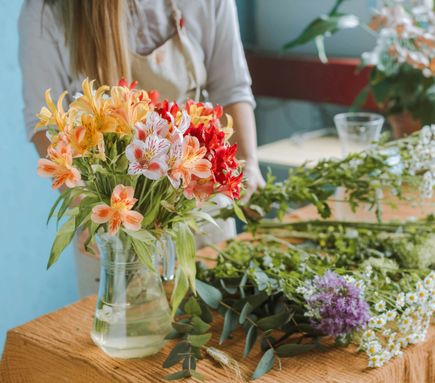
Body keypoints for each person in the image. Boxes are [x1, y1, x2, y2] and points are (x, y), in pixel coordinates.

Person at [19, 0, 265, 295]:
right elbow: (43, 124)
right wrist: (85, 206)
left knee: (215, 320)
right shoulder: (47, 11)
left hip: (199, 204)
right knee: (124, 331)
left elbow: (232, 87)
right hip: (115, 222)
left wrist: (247, 162)